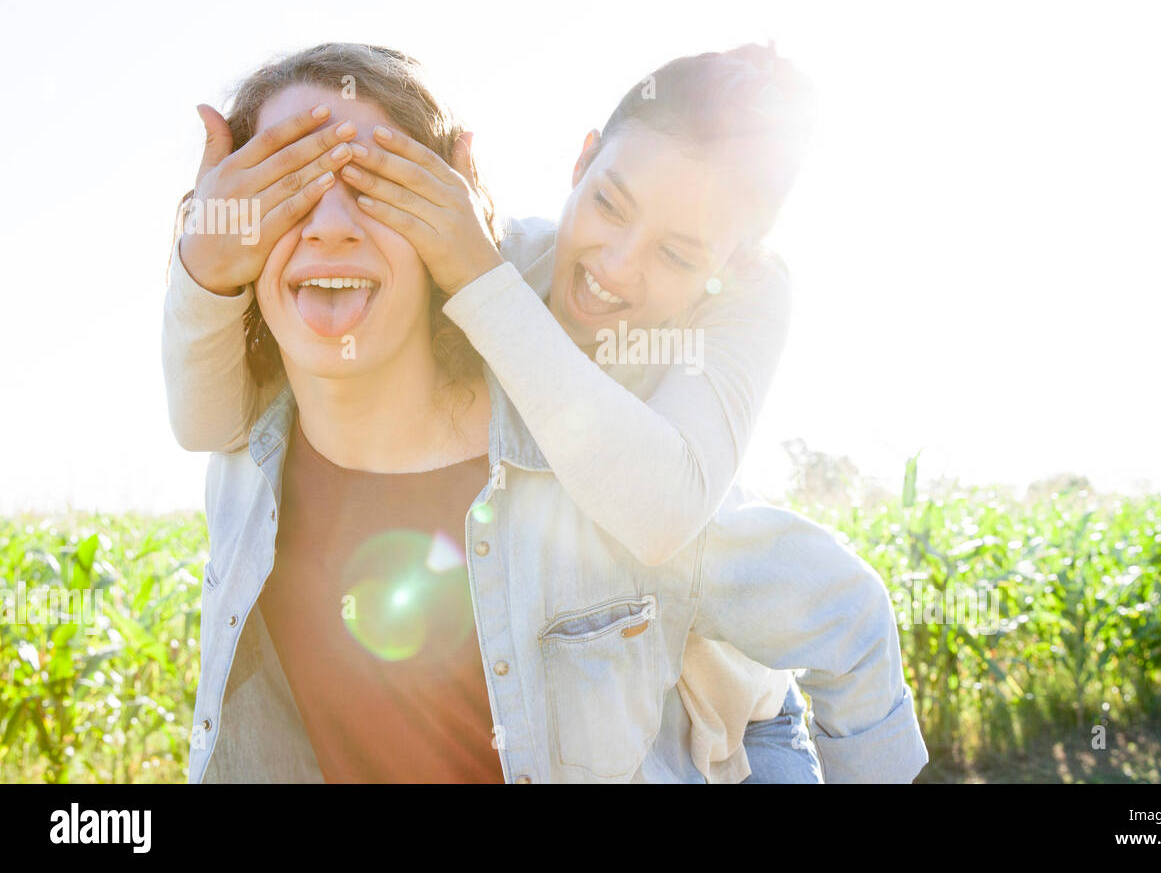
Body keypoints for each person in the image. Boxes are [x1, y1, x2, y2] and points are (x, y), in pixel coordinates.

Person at [169, 44, 927, 783]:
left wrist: (471, 268)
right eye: (607, 203)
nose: (615, 268)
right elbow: (211, 420)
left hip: (732, 713)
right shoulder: (488, 257)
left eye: (677, 256)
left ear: (729, 270)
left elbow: (673, 513)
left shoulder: (731, 310)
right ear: (581, 163)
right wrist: (206, 256)